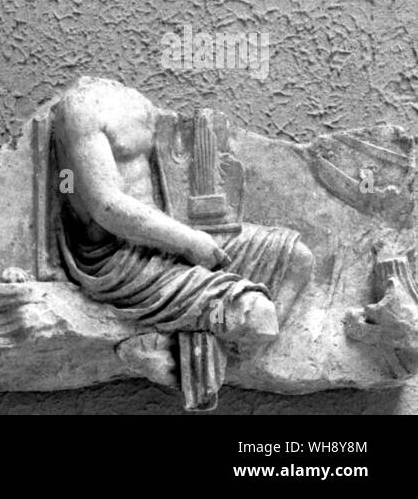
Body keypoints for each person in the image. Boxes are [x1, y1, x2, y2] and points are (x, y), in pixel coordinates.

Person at [51, 77, 314, 386]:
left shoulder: (136, 101)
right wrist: (188, 242)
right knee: (258, 316)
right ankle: (185, 364)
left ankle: (208, 354)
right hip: (121, 258)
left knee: (299, 258)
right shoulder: (79, 109)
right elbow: (106, 206)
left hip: (170, 233)